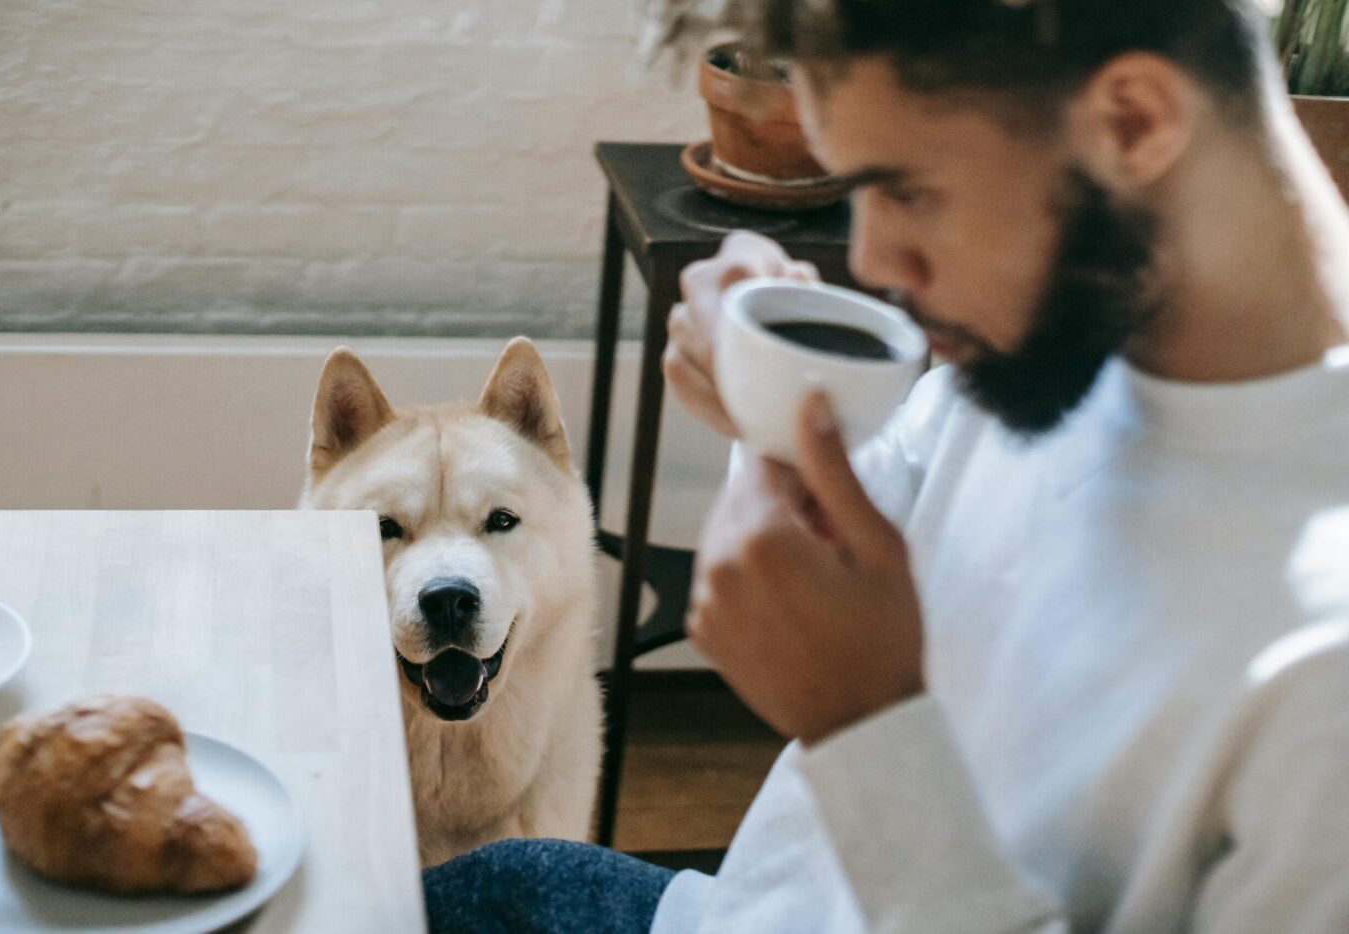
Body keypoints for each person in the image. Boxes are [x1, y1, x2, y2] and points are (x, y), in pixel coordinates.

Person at [423, 0, 1349, 930]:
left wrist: (870, 733)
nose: (872, 260)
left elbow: (862, 699)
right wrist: (768, 396)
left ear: (1133, 122)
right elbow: (843, 541)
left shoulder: (1323, 683)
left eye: (906, 190)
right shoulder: (1046, 348)